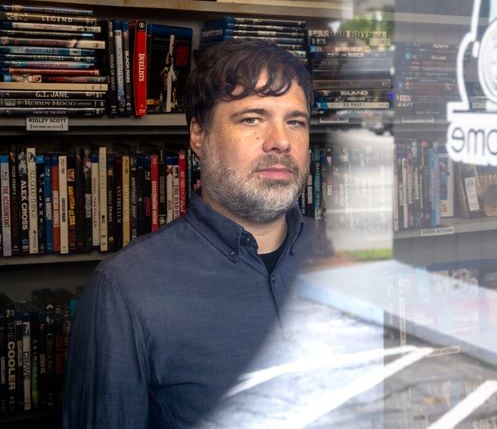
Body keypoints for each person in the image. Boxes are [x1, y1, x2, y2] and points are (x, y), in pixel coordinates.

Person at [63, 39, 330, 428]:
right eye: (252, 118)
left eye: (295, 121)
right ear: (198, 135)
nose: (281, 141)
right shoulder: (126, 290)